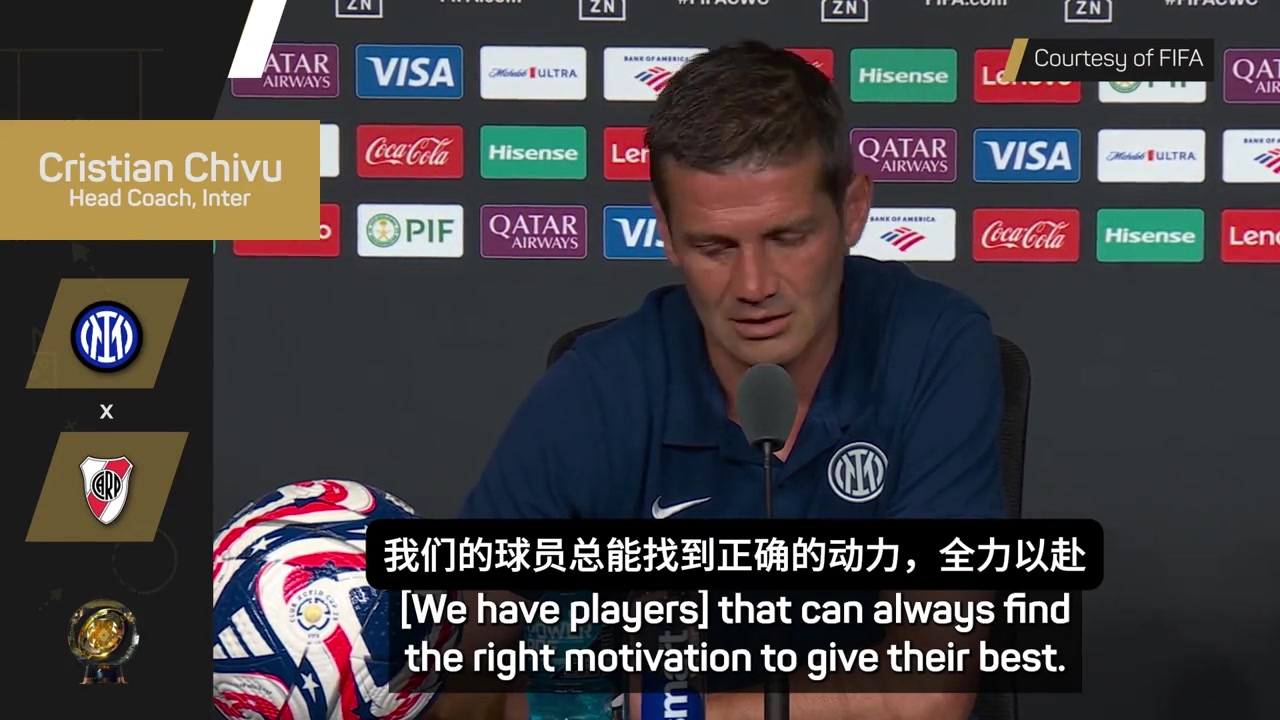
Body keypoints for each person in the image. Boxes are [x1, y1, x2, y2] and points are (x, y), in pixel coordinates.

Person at [455, 40, 1005, 720]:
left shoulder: (933, 345)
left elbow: (925, 695)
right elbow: (463, 675)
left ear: (853, 209)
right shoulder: (600, 385)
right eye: (715, 246)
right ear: (666, 232)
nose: (753, 286)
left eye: (787, 238)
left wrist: (657, 716)